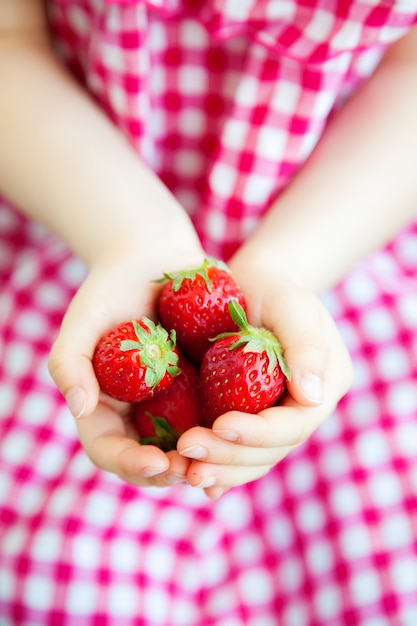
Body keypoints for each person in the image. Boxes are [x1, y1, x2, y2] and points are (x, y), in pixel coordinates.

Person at [0, 0, 416, 623]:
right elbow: (9, 39)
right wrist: (130, 236)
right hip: (77, 227)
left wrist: (289, 270)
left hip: (337, 240)